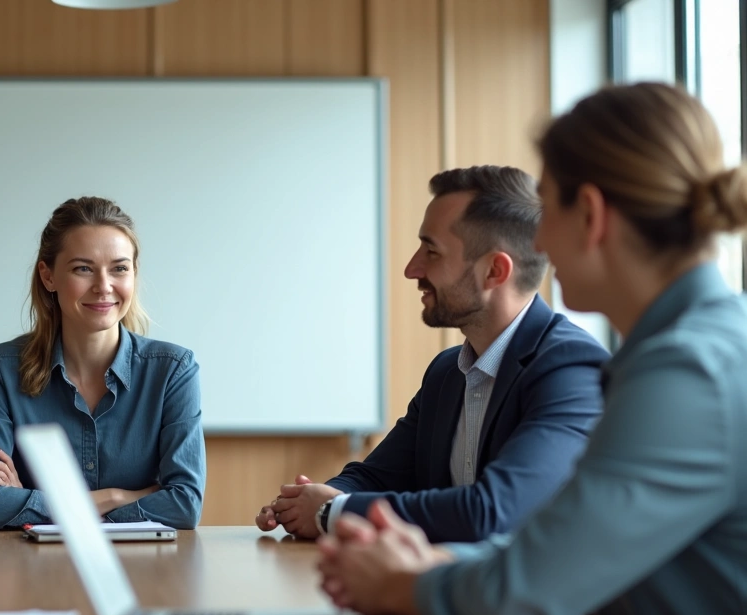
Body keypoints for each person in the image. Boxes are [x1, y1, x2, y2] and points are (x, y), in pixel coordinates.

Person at [317, 82, 747, 615]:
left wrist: (398, 584)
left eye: (548, 205)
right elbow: (565, 546)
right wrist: (435, 567)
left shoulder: (685, 374)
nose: (537, 239)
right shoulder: (701, 349)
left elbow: (519, 597)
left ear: (589, 213)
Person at [256, 166, 608, 543]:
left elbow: (491, 513)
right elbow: (377, 476)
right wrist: (309, 499)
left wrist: (332, 512)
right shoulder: (446, 372)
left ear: (494, 271)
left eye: (432, 251)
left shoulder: (570, 367)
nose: (412, 269)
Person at [0, 196, 205, 530]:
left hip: (146, 572)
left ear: (133, 274)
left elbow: (184, 505)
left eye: (119, 268)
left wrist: (33, 499)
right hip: (32, 571)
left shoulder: (174, 371)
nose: (104, 287)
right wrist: (119, 497)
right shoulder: (2, 369)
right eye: (83, 269)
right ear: (48, 277)